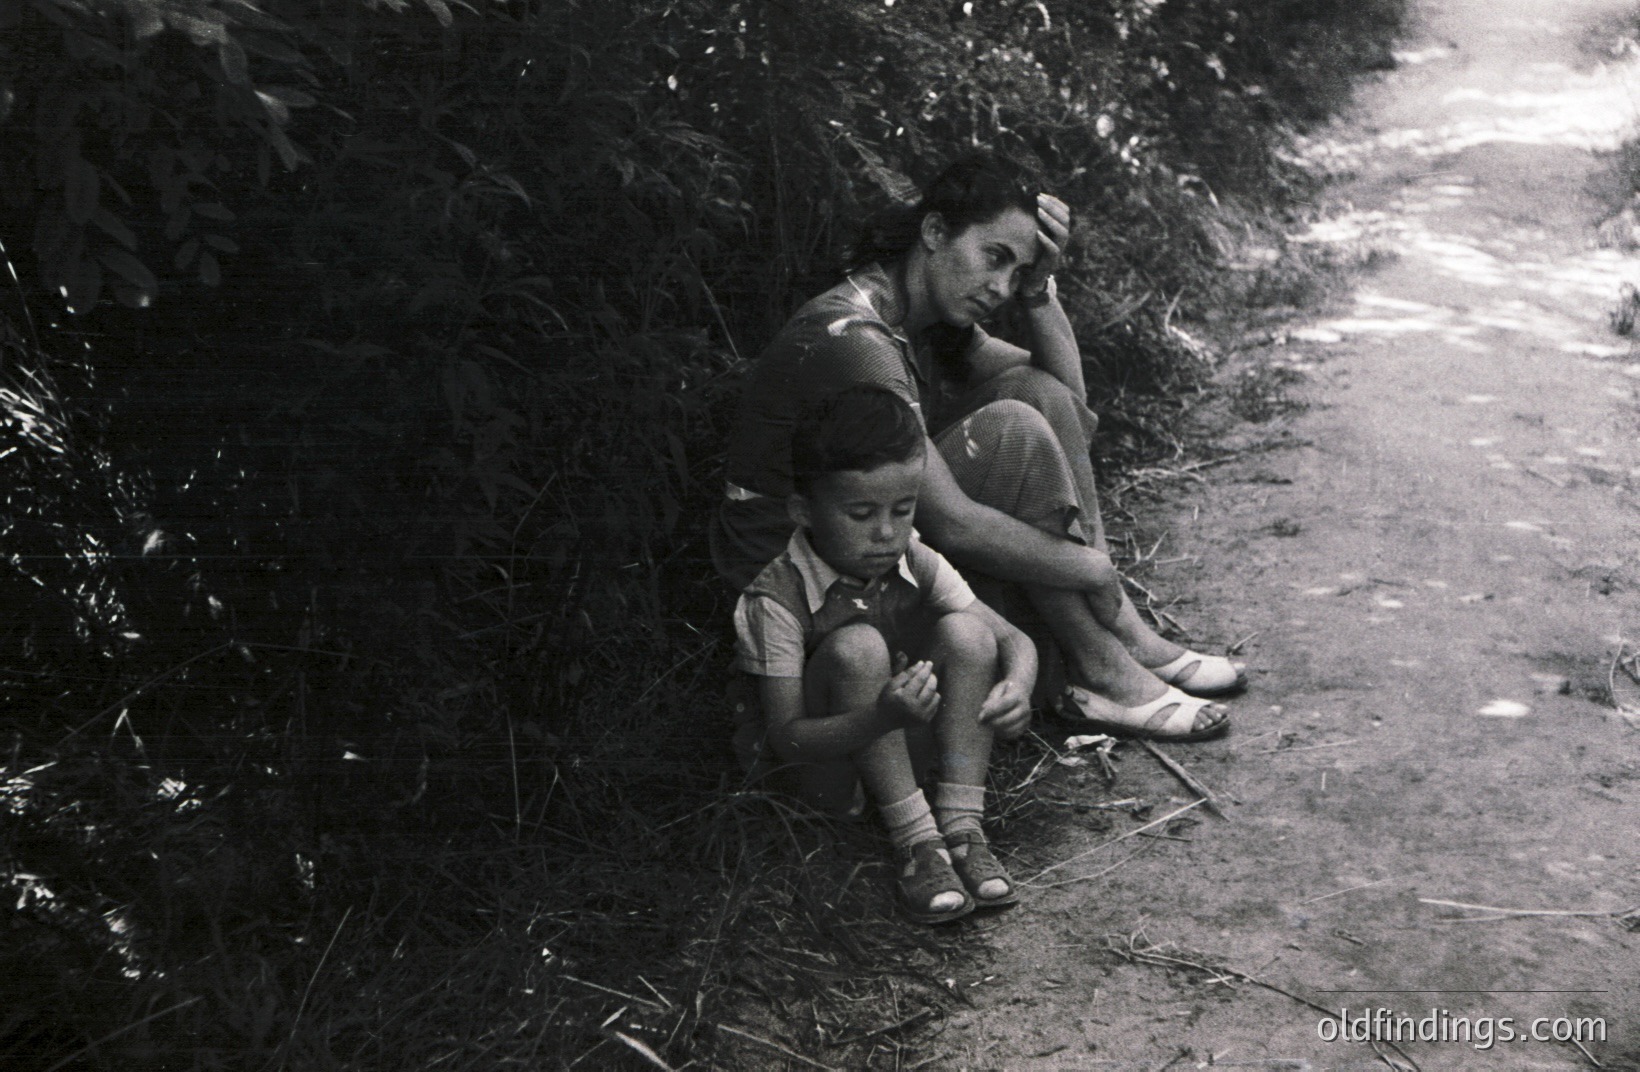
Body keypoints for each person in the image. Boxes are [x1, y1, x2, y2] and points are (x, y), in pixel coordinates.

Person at [714, 151, 1244, 742]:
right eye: (995, 258)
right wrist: (1094, 569)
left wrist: (1041, 291)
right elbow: (955, 523)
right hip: (801, 569)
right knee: (1012, 428)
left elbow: (1066, 401)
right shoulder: (858, 339)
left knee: (1031, 394)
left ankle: (1111, 647)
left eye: (1017, 272)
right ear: (935, 232)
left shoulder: (927, 317)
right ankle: (1104, 657)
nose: (1001, 287)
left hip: (874, 537)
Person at [732, 385, 1037, 923]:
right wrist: (879, 717)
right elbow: (786, 738)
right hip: (829, 776)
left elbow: (1013, 640)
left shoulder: (914, 557)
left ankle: (962, 826)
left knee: (969, 634)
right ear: (804, 511)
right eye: (860, 513)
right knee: (856, 646)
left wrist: (1019, 684)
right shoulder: (775, 599)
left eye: (904, 509)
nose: (886, 533)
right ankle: (918, 844)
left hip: (905, 746)